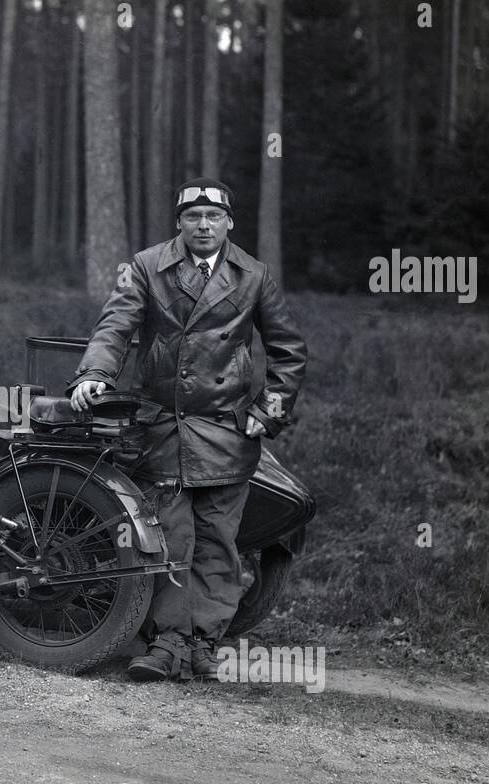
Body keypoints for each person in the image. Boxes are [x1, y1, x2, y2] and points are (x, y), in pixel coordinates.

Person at [66, 178, 306, 682]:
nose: (203, 225)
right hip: (162, 427)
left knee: (218, 542)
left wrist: (270, 409)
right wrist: (94, 374)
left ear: (229, 223)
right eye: (193, 217)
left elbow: (288, 350)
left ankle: (204, 644)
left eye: (213, 217)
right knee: (167, 539)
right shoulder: (147, 265)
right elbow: (115, 326)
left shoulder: (254, 275)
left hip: (226, 430)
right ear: (179, 222)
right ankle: (164, 644)